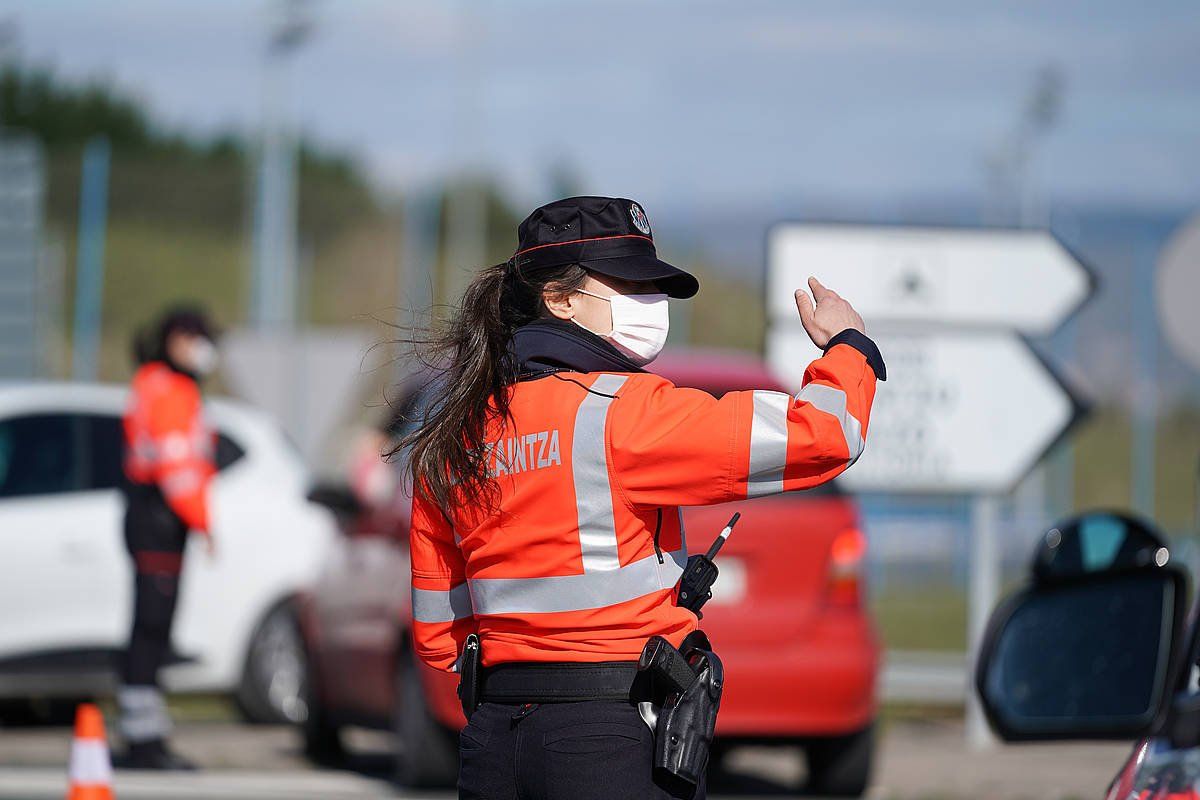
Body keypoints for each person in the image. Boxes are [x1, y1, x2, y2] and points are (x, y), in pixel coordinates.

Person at [402, 196, 885, 799]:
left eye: (652, 283)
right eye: (627, 282)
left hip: (496, 743)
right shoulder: (625, 413)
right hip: (607, 740)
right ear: (558, 299)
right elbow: (824, 434)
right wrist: (849, 349)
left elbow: (438, 635)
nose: (650, 301)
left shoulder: (457, 433)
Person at [117, 306, 220, 770]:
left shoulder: (150, 382)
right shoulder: (172, 390)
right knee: (152, 632)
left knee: (147, 629)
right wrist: (203, 522)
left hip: (147, 517)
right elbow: (177, 468)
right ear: (178, 338)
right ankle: (143, 742)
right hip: (161, 522)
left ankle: (144, 733)